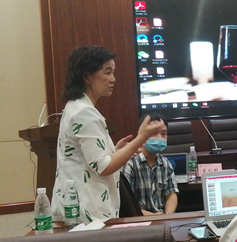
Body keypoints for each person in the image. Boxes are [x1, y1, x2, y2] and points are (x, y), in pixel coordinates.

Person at [52, 46, 165, 223]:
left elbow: (90, 159)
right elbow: (103, 167)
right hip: (87, 211)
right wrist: (141, 139)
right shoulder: (85, 112)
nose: (113, 79)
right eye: (107, 72)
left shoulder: (75, 106)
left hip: (77, 205)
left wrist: (115, 151)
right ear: (87, 76)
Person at [122, 113, 179, 215]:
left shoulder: (165, 163)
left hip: (162, 218)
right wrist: (153, 216)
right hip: (138, 219)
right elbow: (126, 203)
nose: (159, 137)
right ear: (141, 134)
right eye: (153, 133)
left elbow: (171, 194)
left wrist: (168, 215)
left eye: (164, 134)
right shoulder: (129, 162)